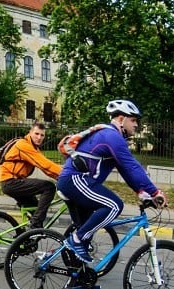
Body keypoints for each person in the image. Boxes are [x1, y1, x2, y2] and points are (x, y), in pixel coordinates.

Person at [57, 99, 165, 263]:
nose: (136, 125)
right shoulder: (111, 136)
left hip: (78, 183)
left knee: (85, 235)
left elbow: (126, 170)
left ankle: (78, 277)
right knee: (113, 205)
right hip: (75, 181)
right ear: (121, 119)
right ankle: (76, 240)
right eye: (134, 120)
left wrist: (141, 192)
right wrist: (155, 191)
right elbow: (132, 166)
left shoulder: (113, 137)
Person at [0, 122, 61, 228]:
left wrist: (59, 177)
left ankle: (27, 238)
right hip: (11, 182)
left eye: (42, 135)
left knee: (37, 210)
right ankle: (35, 223)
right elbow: (45, 164)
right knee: (49, 187)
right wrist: (66, 175)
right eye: (36, 134)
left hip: (16, 182)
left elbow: (46, 168)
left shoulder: (34, 148)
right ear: (30, 133)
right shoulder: (23, 145)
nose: (39, 137)